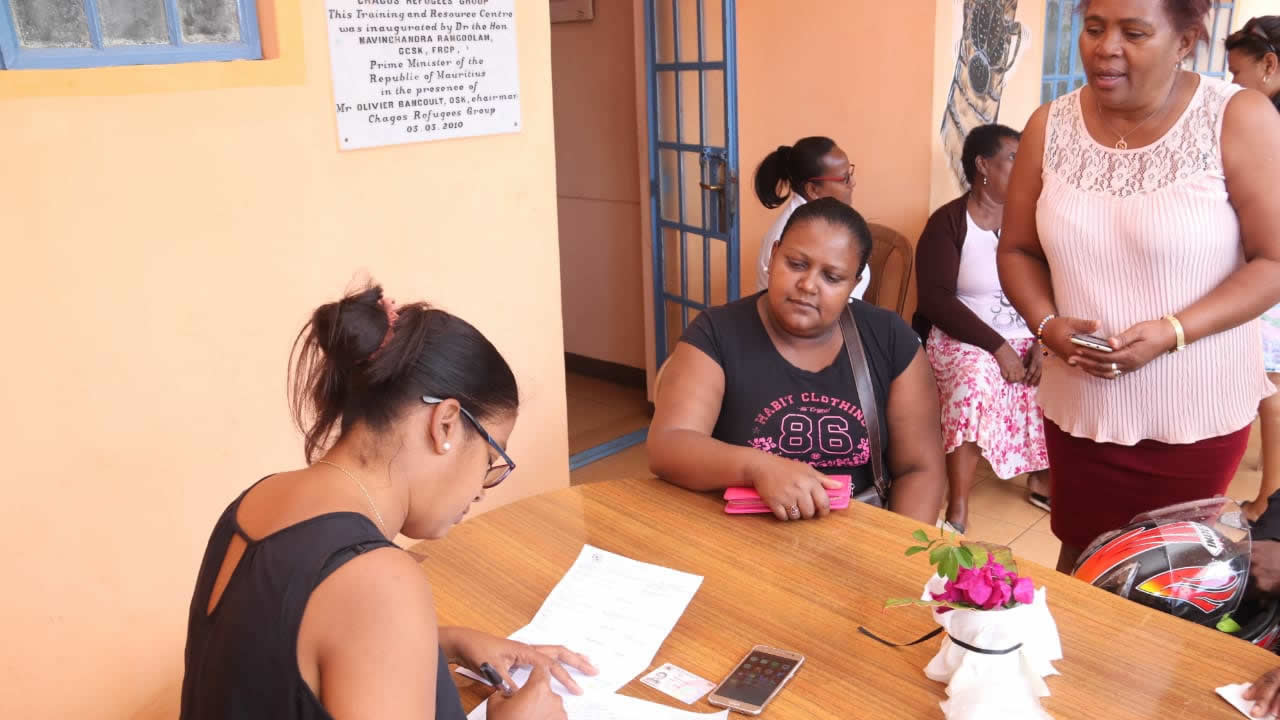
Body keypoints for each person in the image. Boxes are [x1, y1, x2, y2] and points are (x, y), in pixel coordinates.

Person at [180, 284, 596, 719]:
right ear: (447, 424)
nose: (479, 489)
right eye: (492, 458)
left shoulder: (260, 500)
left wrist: (442, 643)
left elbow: (283, 659)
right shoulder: (377, 580)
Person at [997, 0, 1280, 573]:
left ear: (1184, 42)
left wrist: (1173, 331)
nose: (1106, 47)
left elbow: (1273, 260)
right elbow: (1018, 249)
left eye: (1134, 32)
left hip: (1192, 410)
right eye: (1094, 28)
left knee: (1170, 581)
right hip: (1081, 405)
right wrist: (1048, 325)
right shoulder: (1048, 126)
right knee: (1080, 562)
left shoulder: (1236, 117)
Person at [649, 197, 946, 525]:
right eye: (796, 264)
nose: (808, 285)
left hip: (857, 539)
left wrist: (898, 559)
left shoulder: (888, 338)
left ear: (856, 283)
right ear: (774, 256)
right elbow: (669, 444)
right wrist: (757, 467)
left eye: (832, 277)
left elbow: (919, 468)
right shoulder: (716, 333)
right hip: (739, 538)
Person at [913, 123, 1050, 534]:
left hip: (1027, 333)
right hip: (963, 336)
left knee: (1067, 368)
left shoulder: (1033, 221)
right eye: (1013, 158)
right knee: (974, 378)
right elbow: (935, 300)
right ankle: (958, 506)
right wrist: (998, 347)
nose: (1024, 167)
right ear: (982, 165)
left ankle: (1042, 478)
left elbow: (1052, 286)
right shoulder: (948, 223)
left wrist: (1043, 341)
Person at [1226, 15, 1280, 524]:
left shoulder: (1268, 127)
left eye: (1237, 75)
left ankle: (1268, 498)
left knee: (1268, 385)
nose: (1232, 88)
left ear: (1269, 66)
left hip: (1271, 271)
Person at [753, 137, 871, 301]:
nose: (853, 183)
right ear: (813, 189)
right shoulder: (792, 234)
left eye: (850, 173)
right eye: (844, 178)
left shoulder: (824, 221)